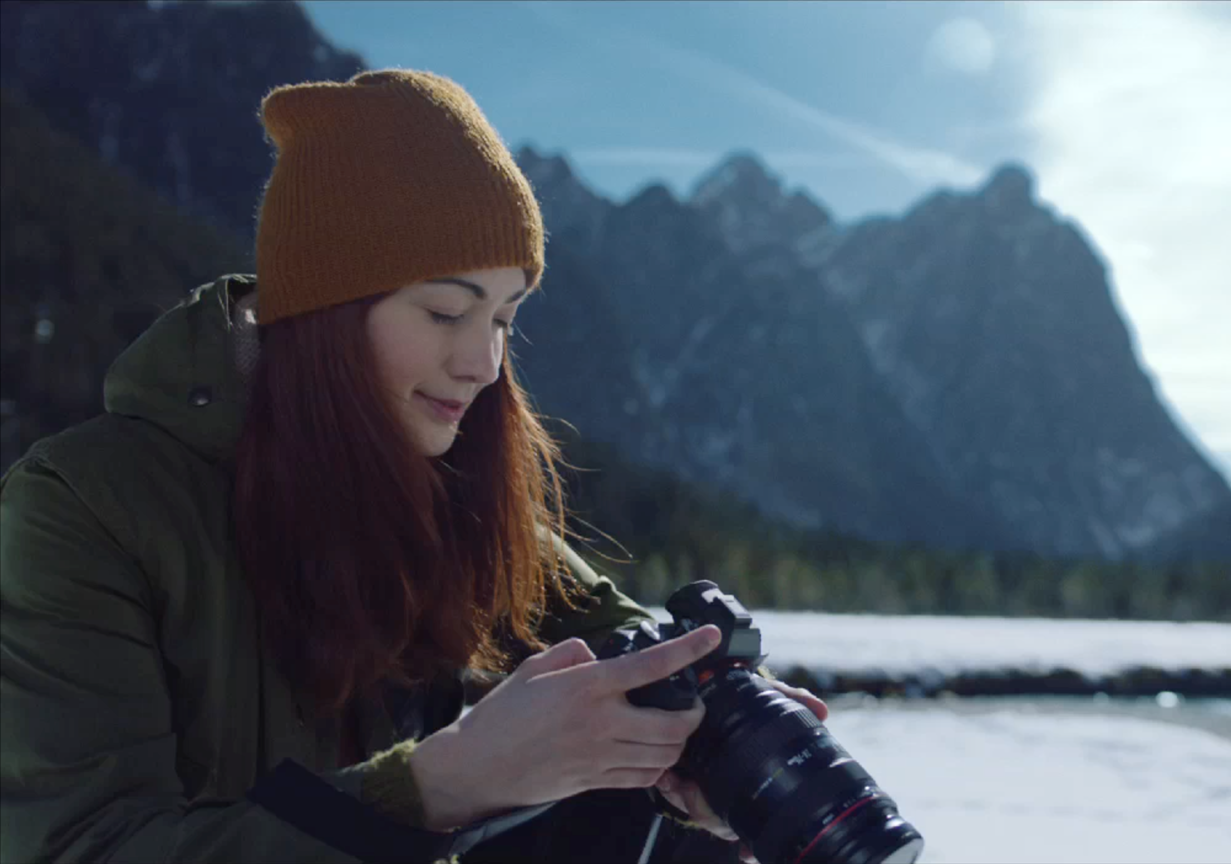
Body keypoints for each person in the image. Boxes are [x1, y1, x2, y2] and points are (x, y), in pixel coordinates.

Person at [0, 69, 827, 864]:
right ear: (321, 308)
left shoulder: (446, 493)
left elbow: (612, 636)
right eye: (445, 310)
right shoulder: (81, 511)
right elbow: (84, 847)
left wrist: (706, 739)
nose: (485, 363)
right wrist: (443, 784)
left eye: (505, 318)